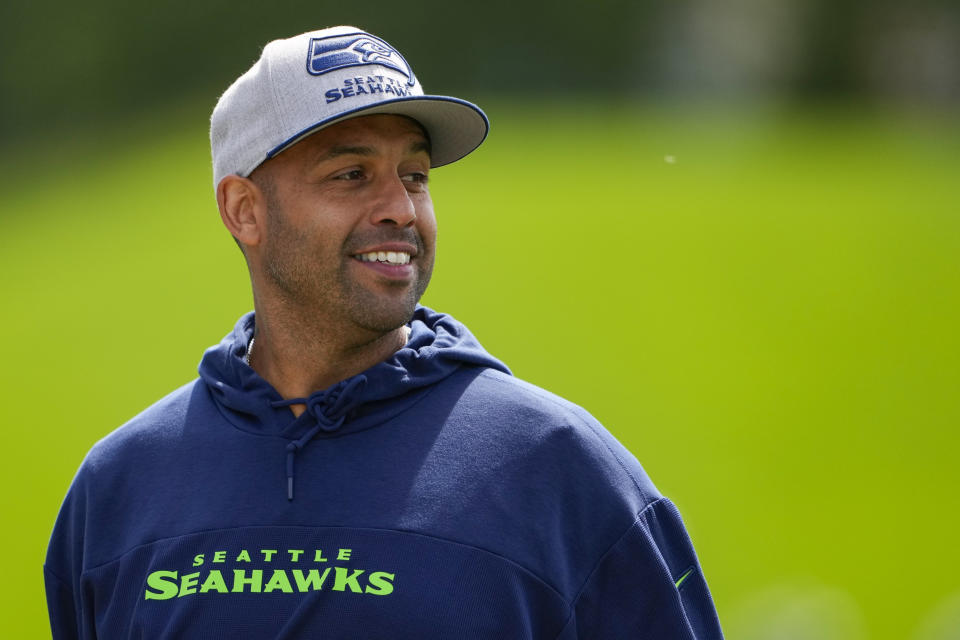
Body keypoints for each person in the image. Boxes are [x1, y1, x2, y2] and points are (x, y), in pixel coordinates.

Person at [44, 26, 724, 639]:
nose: (400, 209)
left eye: (415, 176)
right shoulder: (120, 485)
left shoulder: (559, 470)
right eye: (351, 175)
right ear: (244, 210)